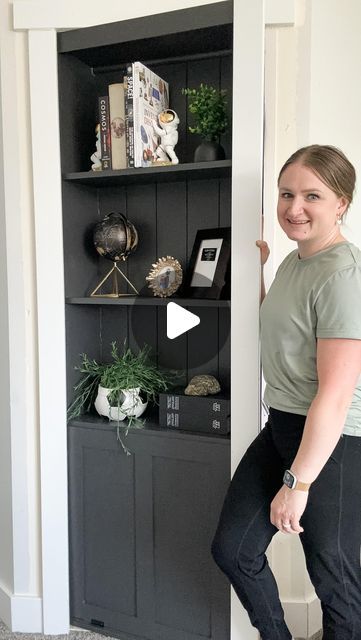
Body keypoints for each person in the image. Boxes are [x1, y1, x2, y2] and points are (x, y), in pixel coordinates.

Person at [211, 145, 361, 640]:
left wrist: (298, 485)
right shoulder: (297, 263)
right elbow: (276, 324)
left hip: (331, 438)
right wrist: (256, 268)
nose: (294, 207)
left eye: (311, 195)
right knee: (233, 549)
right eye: (286, 193)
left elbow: (336, 395)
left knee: (334, 576)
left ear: (341, 202)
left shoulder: (342, 274)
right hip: (283, 422)